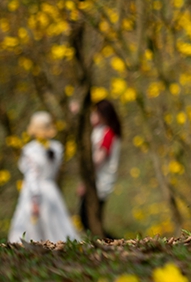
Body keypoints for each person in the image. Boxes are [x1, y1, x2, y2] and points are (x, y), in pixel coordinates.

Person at [8, 111, 82, 243]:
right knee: (54, 224)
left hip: (35, 192)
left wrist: (34, 199)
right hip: (51, 190)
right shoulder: (57, 148)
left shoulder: (31, 150)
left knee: (32, 227)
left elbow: (32, 177)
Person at [78, 99, 122, 237]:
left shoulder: (107, 133)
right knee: (88, 219)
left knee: (89, 219)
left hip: (100, 180)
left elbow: (99, 158)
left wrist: (86, 180)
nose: (92, 116)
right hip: (98, 179)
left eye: (95, 113)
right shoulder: (100, 131)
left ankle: (113, 242)